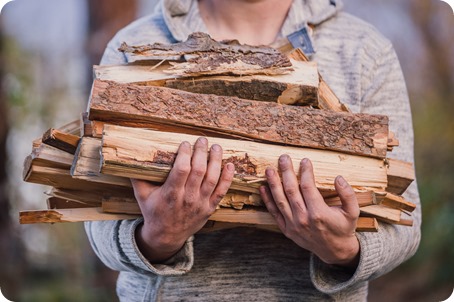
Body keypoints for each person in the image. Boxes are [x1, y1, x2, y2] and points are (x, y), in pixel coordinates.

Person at [85, 0, 421, 300]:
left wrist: (343, 250)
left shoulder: (364, 50)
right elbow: (96, 222)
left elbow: (406, 223)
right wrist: (157, 237)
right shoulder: (135, 46)